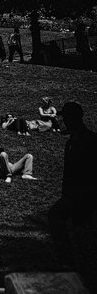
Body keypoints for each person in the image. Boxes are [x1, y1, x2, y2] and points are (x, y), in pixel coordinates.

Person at [47, 100, 97, 264]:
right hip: (73, 193)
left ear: (74, 118)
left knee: (58, 216)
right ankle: (71, 259)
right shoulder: (71, 142)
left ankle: (68, 259)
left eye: (67, 118)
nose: (65, 121)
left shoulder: (90, 140)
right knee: (77, 228)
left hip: (84, 194)